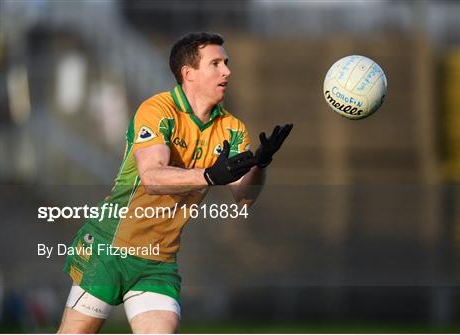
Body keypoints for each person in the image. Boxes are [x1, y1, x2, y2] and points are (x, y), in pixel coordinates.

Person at [57, 32, 292, 333]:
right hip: (110, 247)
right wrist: (208, 176)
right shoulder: (158, 110)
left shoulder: (232, 129)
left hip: (159, 260)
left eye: (227, 63)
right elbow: (152, 177)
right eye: (216, 63)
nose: (227, 71)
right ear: (188, 73)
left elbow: (244, 196)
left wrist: (262, 164)